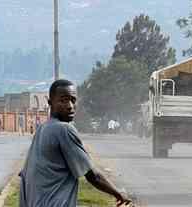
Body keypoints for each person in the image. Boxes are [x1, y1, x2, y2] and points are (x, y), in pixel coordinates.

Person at [19, 79, 131, 207]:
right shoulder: (64, 129)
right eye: (63, 100)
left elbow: (25, 176)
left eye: (73, 100)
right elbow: (93, 176)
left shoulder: (42, 129)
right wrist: (118, 194)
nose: (70, 106)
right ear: (50, 103)